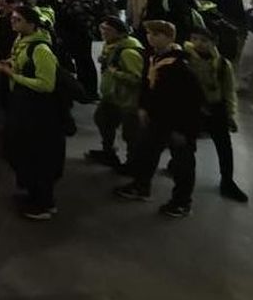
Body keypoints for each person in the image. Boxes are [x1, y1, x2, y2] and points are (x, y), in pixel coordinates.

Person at [116, 20, 204, 218]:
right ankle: (141, 186)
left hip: (178, 124)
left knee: (183, 164)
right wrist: (143, 107)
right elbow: (147, 86)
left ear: (170, 37)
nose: (151, 38)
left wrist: (183, 130)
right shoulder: (155, 58)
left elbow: (191, 101)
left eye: (157, 34)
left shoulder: (180, 65)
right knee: (146, 152)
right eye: (149, 34)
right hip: (157, 118)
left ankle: (182, 202)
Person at [0, 6, 65, 220]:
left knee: (39, 156)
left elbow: (46, 84)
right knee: (24, 152)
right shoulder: (21, 41)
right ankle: (33, 194)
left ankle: (45, 204)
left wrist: (13, 75)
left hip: (39, 112)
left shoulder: (40, 49)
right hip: (23, 106)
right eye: (13, 19)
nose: (13, 23)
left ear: (32, 23)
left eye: (18, 20)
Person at [185, 29, 248, 203]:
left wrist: (230, 114)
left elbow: (229, 90)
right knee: (186, 144)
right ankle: (177, 169)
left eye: (204, 40)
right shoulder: (184, 59)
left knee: (224, 146)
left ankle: (227, 181)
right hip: (191, 108)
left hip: (216, 108)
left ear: (213, 43)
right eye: (195, 39)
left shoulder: (222, 64)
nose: (198, 43)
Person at [87, 17, 146, 171]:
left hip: (126, 99)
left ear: (120, 33)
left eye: (108, 30)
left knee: (130, 133)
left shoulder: (128, 51)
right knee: (102, 120)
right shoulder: (112, 46)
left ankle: (133, 164)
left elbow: (136, 78)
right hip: (112, 95)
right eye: (102, 28)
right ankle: (108, 151)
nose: (103, 33)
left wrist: (116, 72)